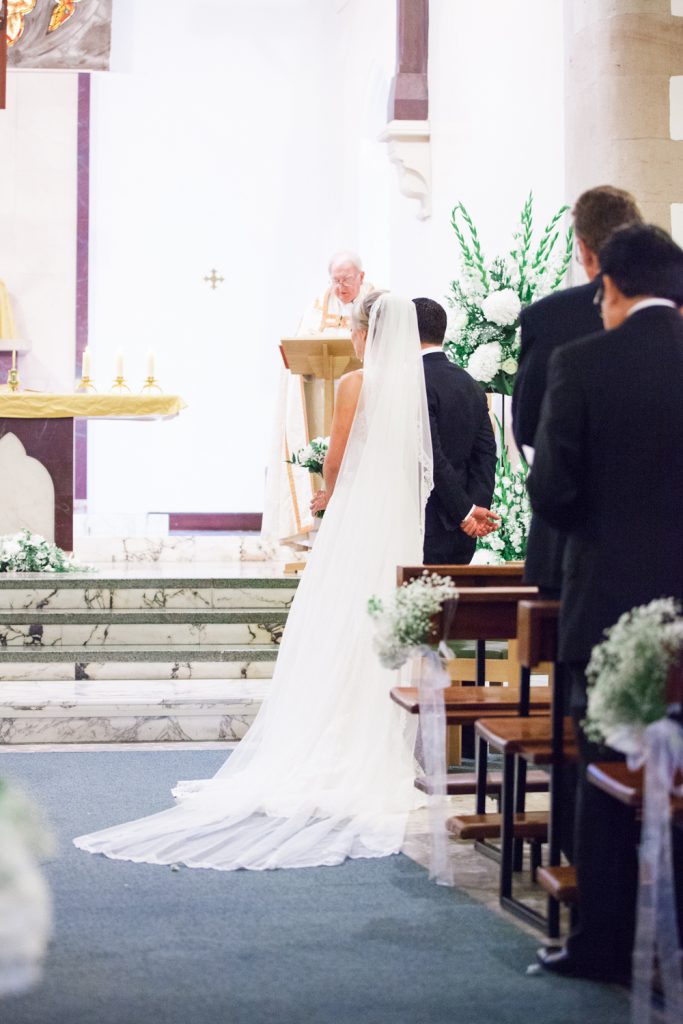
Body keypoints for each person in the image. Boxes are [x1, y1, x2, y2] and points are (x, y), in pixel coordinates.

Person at [75, 293, 434, 871]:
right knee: (375, 631)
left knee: (335, 621)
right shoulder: (410, 387)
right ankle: (373, 749)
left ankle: (327, 742)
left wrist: (329, 500)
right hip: (395, 526)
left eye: (351, 326)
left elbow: (338, 460)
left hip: (355, 520)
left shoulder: (356, 383)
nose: (350, 334)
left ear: (367, 331)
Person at [527, 223, 683, 980]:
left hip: (612, 607)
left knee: (604, 772)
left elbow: (552, 491)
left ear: (609, 287)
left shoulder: (581, 361)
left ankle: (605, 945)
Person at [512, 185, 642, 596]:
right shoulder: (671, 313)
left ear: (583, 250)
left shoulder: (548, 319)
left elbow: (528, 426)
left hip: (570, 540)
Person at [261, 251, 375, 549]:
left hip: (367, 398)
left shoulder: (376, 303)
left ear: (361, 277)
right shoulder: (317, 307)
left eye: (346, 280)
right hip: (324, 397)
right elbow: (302, 347)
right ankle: (319, 531)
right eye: (335, 281)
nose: (340, 287)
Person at [413, 297, 499, 565]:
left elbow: (431, 455)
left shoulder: (414, 380)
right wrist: (475, 509)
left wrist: (465, 511)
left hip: (425, 521)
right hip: (462, 531)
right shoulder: (470, 383)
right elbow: (486, 453)